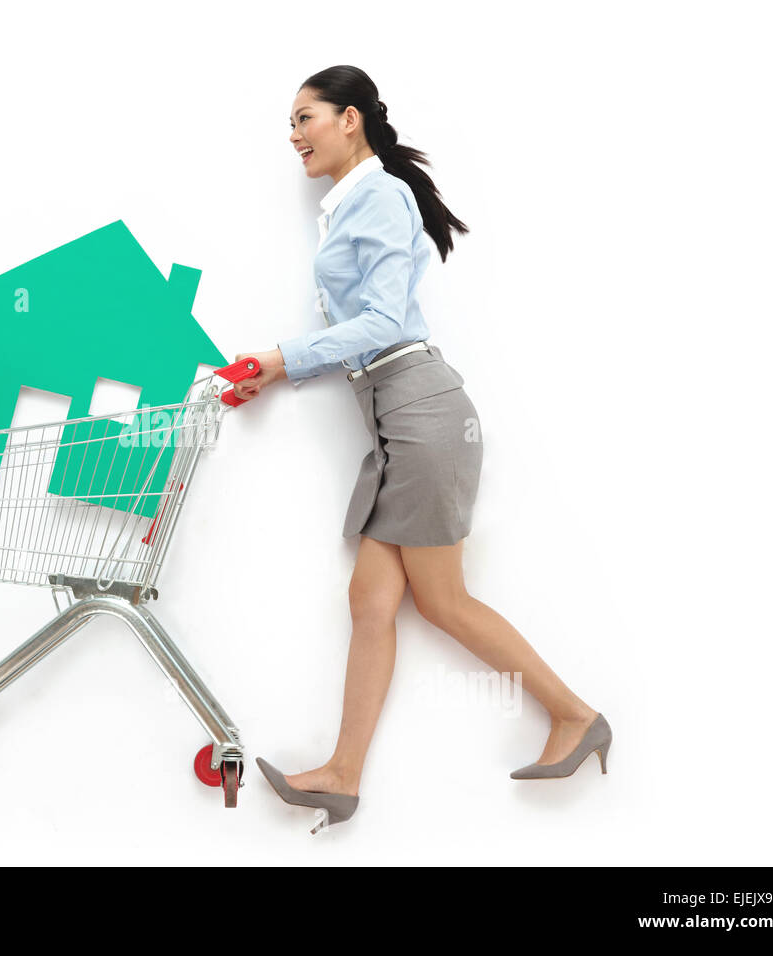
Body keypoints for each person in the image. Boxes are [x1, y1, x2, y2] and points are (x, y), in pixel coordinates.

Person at [235, 65, 611, 831]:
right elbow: (365, 329)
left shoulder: (377, 193)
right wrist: (274, 371)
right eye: (290, 123)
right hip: (396, 418)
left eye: (305, 118)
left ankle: (577, 715)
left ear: (349, 119)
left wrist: (282, 359)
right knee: (371, 601)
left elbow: (383, 322)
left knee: (442, 601)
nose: (294, 135)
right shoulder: (354, 201)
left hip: (421, 413)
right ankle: (342, 774)